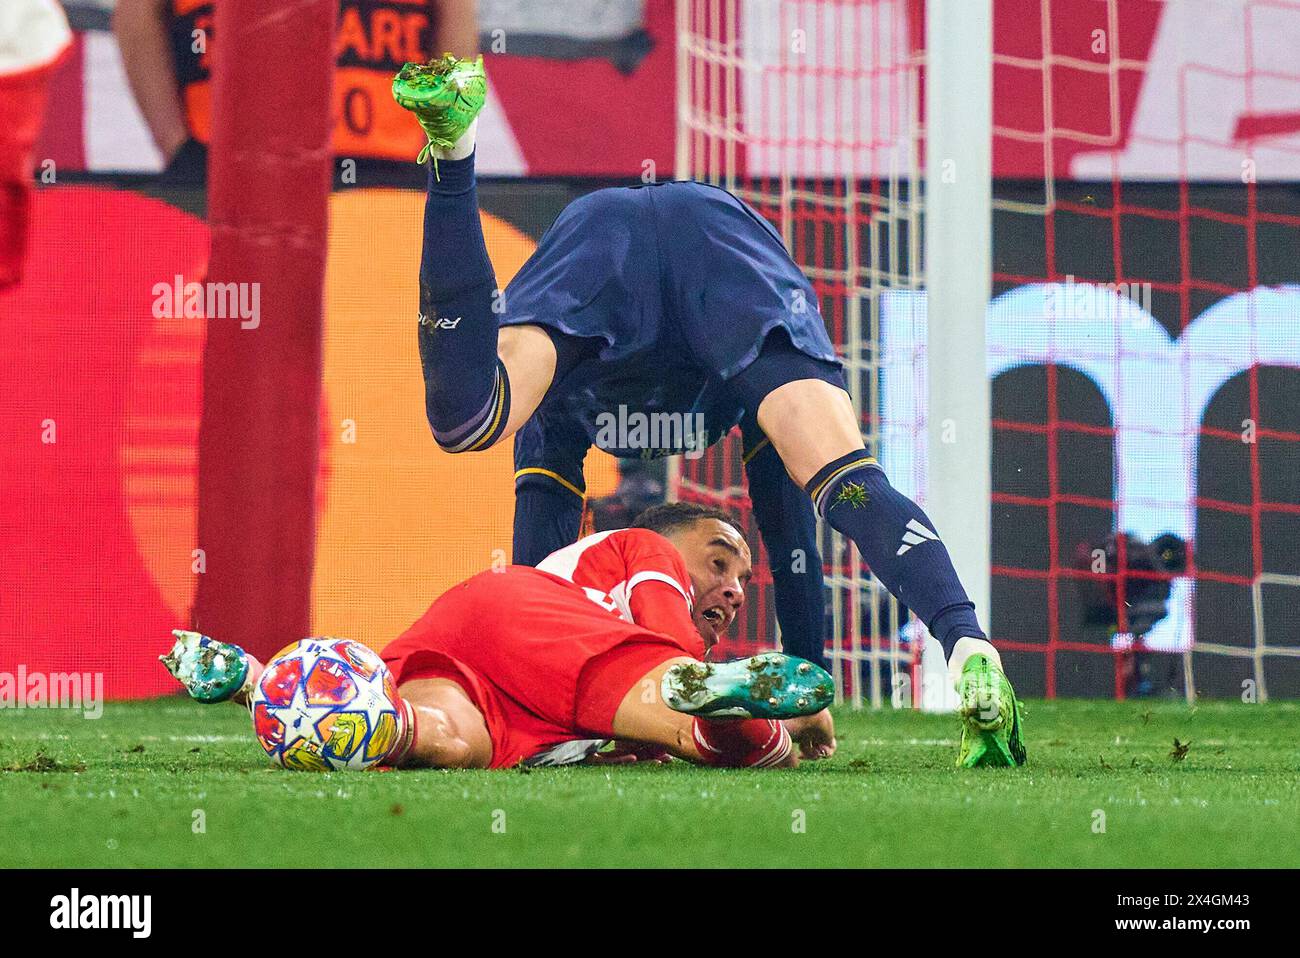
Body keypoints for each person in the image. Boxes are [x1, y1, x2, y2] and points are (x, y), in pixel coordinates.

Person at [394, 55, 1025, 768]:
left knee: (467, 421)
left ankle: (455, 158)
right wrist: (806, 678)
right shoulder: (582, 417)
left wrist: (807, 686)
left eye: (729, 570)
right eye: (721, 563)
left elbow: (541, 588)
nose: (728, 591)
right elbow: (785, 541)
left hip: (634, 241)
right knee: (845, 479)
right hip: (706, 245)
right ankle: (966, 638)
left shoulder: (567, 408)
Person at [162, 503, 838, 770]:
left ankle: (258, 685)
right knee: (739, 739)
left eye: (743, 579)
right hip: (533, 623)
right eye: (718, 560)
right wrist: (799, 719)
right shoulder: (641, 551)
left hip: (499, 690)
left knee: (439, 740)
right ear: (669, 541)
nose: (733, 586)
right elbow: (664, 630)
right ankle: (721, 710)